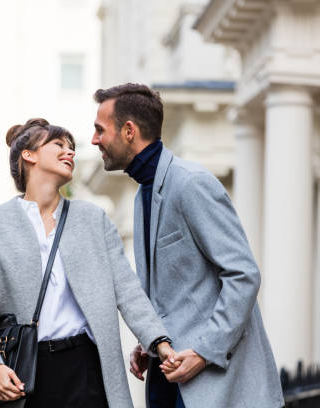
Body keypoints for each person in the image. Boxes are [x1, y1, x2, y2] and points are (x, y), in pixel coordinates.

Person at [91, 84, 285, 408]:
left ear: (128, 131)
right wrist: (150, 341)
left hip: (215, 382)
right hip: (170, 379)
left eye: (100, 130)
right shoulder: (143, 195)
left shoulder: (191, 183)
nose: (95, 140)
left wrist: (204, 351)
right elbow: (174, 293)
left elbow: (243, 275)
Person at [0, 118, 177, 408]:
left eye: (72, 147)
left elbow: (127, 290)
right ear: (29, 155)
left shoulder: (94, 219)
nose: (70, 152)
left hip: (86, 366)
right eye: (58, 145)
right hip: (24, 371)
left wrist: (159, 342)